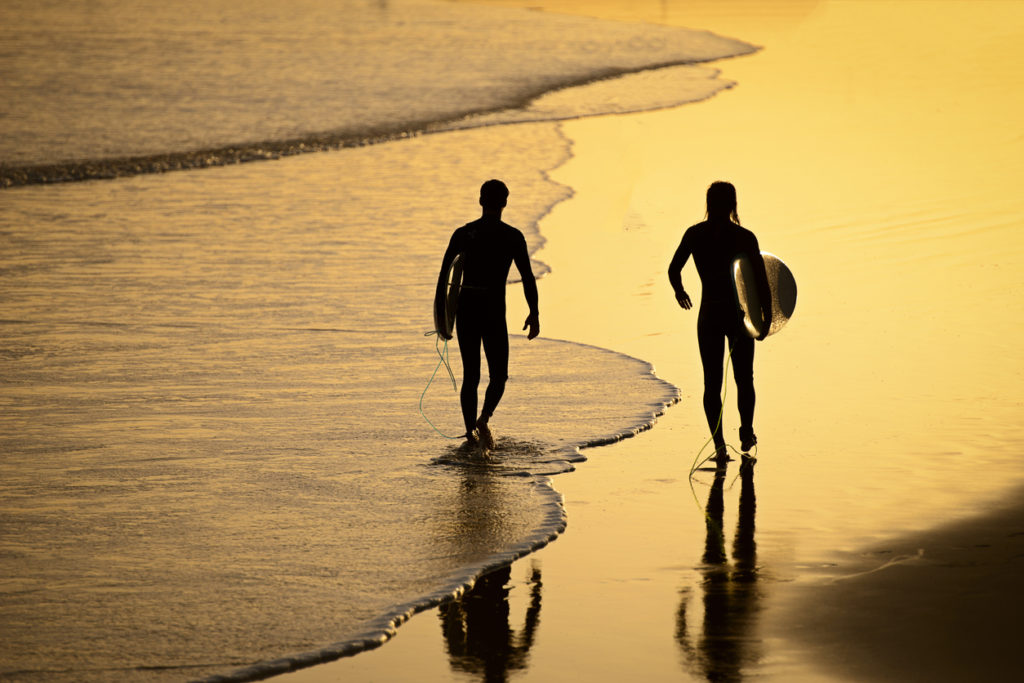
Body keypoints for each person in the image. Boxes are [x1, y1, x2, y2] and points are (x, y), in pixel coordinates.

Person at [668, 181, 771, 463]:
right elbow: (761, 281)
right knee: (743, 378)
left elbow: (673, 269)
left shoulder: (695, 234)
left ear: (708, 203)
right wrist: (767, 318)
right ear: (732, 204)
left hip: (709, 314)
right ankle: (747, 431)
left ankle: (720, 446)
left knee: (711, 383)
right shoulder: (745, 237)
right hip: (738, 316)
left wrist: (680, 291)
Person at [436, 179, 540, 449]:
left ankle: (470, 434)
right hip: (494, 309)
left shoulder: (463, 233)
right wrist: (534, 312)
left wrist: (442, 318)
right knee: (499, 375)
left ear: (481, 201)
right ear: (504, 202)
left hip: (467, 310)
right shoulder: (512, 236)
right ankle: (484, 418)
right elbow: (527, 277)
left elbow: (443, 277)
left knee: (471, 375)